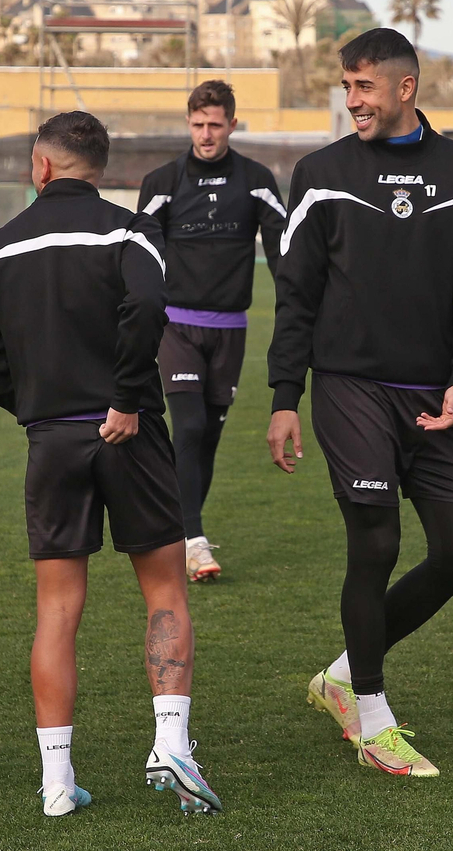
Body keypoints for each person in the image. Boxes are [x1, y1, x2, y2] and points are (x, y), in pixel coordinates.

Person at [266, 28, 453, 778]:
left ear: (406, 88)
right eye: (345, 86)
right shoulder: (320, 172)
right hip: (350, 386)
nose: (352, 101)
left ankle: (343, 672)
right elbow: (295, 293)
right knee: (374, 542)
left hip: (431, 394)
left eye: (363, 86)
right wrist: (286, 396)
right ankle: (373, 715)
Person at [0, 111, 222, 815]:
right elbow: (146, 303)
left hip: (51, 438)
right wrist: (125, 395)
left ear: (40, 166)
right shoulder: (131, 228)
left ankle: (56, 782)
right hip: (127, 430)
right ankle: (171, 741)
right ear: (100, 169)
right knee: (165, 588)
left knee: (56, 610)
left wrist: (40, 408)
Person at [138, 80, 286, 582]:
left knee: (207, 441)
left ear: (232, 125)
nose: (206, 134)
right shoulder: (162, 182)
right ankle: (194, 540)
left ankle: (180, 536)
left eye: (215, 125)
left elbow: (287, 252)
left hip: (231, 329)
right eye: (198, 124)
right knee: (191, 427)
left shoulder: (257, 179)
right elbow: (139, 253)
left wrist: (303, 304)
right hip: (176, 326)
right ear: (189, 124)